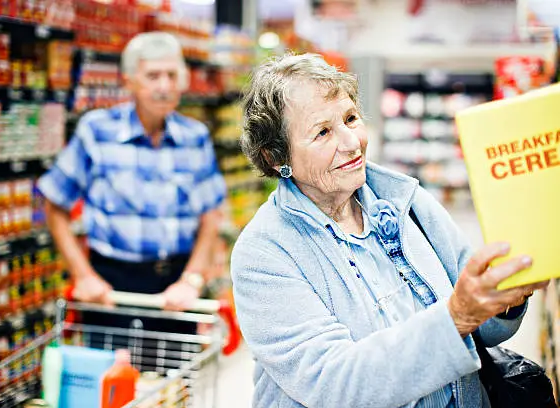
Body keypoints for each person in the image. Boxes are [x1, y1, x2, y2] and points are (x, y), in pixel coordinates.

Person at [231, 53, 549, 407]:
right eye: (322, 132)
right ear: (277, 158)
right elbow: (335, 384)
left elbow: (483, 331)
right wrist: (456, 316)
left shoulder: (406, 203)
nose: (351, 142)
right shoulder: (265, 252)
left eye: (351, 118)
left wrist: (502, 297)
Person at [38, 32, 226, 313]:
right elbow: (55, 205)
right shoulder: (97, 131)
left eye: (172, 75)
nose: (164, 86)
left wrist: (191, 279)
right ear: (129, 81)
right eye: (153, 76)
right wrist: (83, 276)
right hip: (111, 289)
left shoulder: (195, 137)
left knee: (173, 359)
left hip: (176, 291)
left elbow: (210, 217)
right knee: (113, 359)